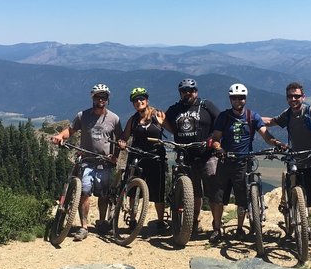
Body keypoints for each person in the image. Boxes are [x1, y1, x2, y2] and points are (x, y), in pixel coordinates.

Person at [263, 81, 311, 251]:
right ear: (287, 98)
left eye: (297, 96)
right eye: (290, 96)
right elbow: (272, 121)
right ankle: (303, 226)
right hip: (295, 159)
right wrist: (250, 118)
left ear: (303, 97)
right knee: (298, 196)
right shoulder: (288, 114)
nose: (293, 99)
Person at [209, 83, 285, 244]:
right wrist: (219, 148)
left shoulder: (252, 117)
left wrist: (277, 143)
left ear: (245, 99)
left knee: (242, 199)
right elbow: (215, 139)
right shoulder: (224, 117)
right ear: (230, 99)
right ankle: (216, 229)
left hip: (243, 162)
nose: (238, 100)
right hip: (225, 161)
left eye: (241, 97)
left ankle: (239, 228)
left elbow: (266, 135)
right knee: (218, 198)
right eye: (235, 98)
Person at [50, 83, 123, 241]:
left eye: (103, 97)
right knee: (84, 192)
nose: (101, 100)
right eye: (98, 96)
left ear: (107, 99)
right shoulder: (83, 116)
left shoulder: (114, 119)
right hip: (87, 161)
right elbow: (70, 130)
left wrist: (115, 155)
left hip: (104, 162)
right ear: (93, 98)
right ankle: (84, 227)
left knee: (103, 195)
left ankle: (102, 222)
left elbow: (120, 139)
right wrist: (60, 137)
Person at [163, 78, 220, 235]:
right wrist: (165, 126)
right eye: (184, 91)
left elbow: (220, 121)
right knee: (193, 193)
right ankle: (193, 223)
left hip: (207, 155)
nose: (188, 93)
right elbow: (167, 122)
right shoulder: (175, 109)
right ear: (180, 93)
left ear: (196, 91)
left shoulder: (206, 105)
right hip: (186, 156)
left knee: (213, 192)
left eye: (191, 90)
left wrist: (213, 139)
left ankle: (216, 227)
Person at [118, 87, 168, 233]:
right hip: (136, 156)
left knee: (158, 191)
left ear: (147, 100)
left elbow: (172, 130)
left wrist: (163, 123)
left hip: (155, 156)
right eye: (135, 100)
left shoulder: (157, 114)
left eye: (141, 99)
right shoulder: (133, 120)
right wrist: (122, 142)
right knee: (133, 190)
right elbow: (124, 136)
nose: (139, 102)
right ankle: (133, 219)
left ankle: (160, 221)